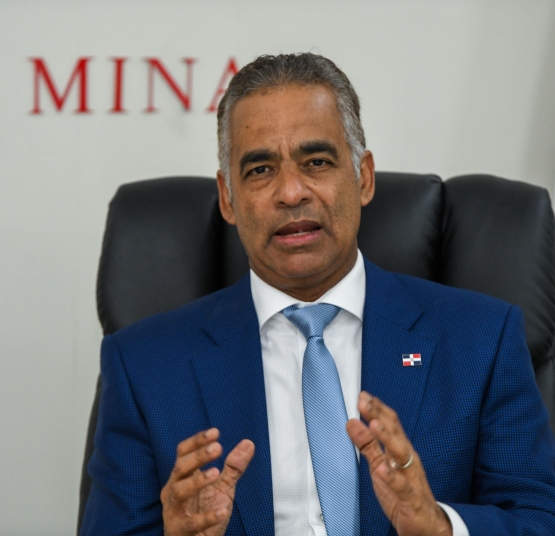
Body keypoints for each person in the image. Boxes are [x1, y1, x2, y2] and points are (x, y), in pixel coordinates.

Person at [80, 54, 555, 536]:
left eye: (317, 163)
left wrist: (441, 527)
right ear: (228, 197)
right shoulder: (145, 365)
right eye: (260, 169)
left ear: (363, 177)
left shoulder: (481, 340)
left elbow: (539, 520)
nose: (291, 192)